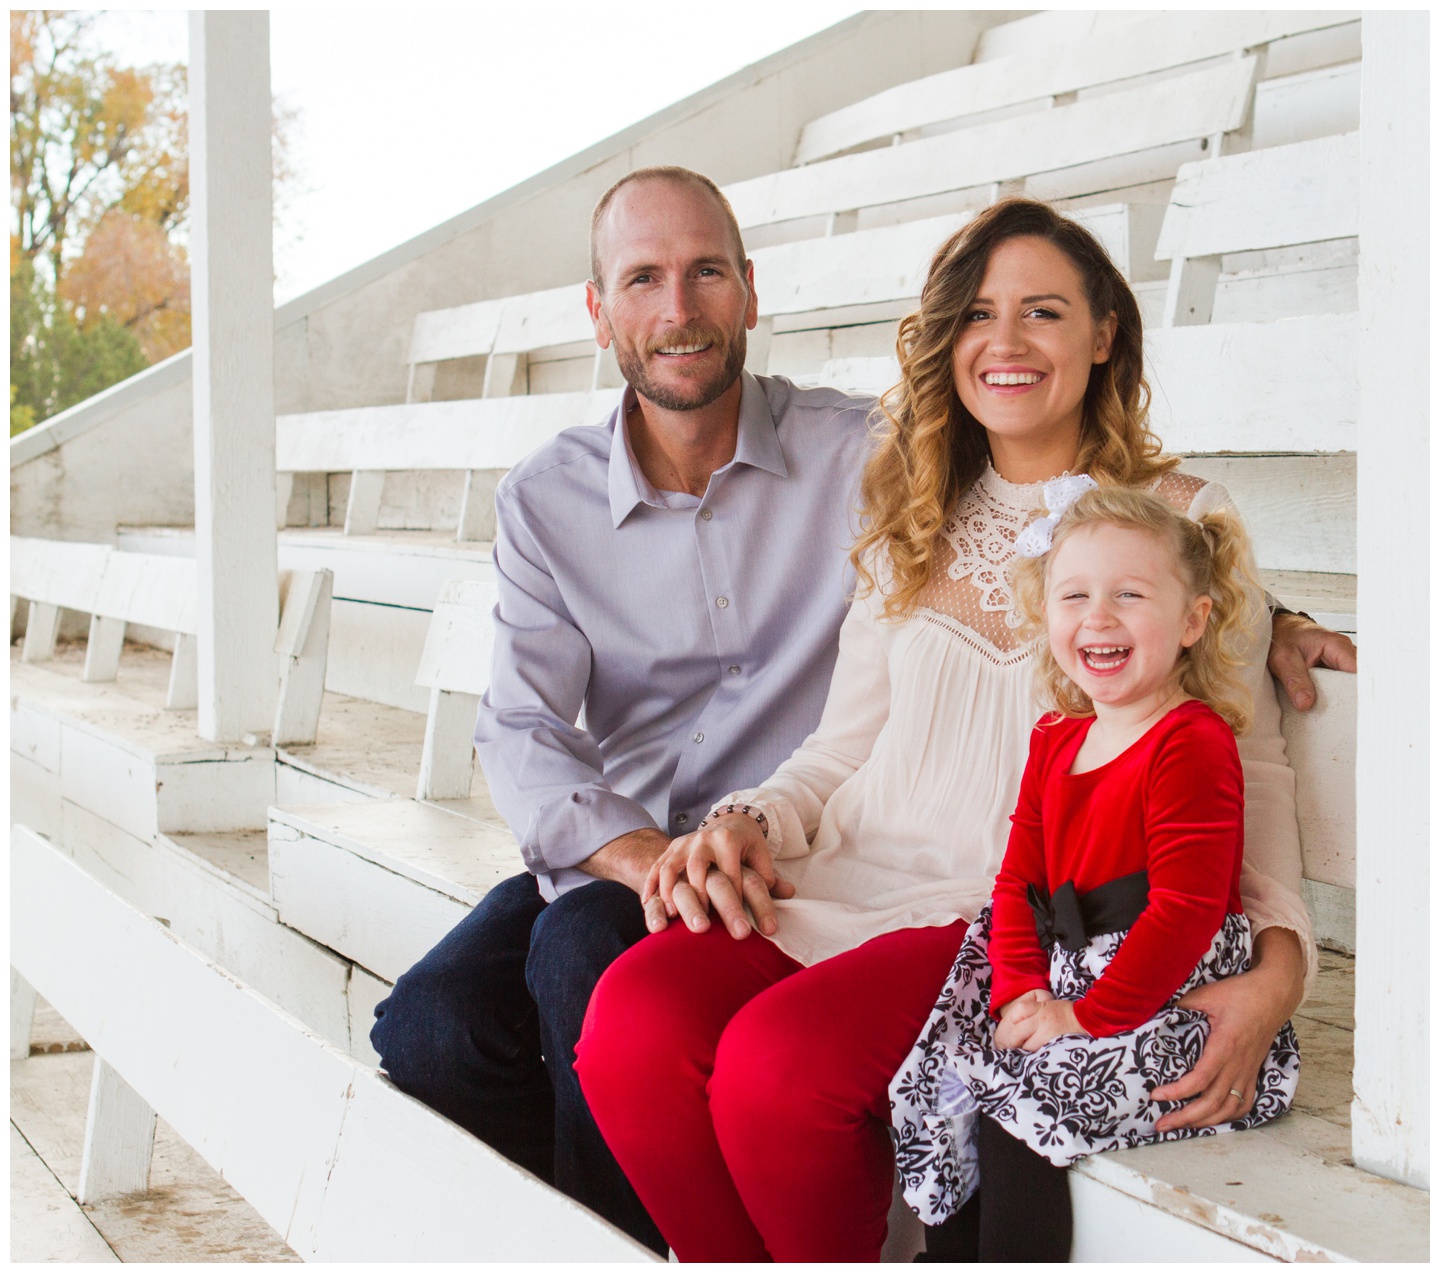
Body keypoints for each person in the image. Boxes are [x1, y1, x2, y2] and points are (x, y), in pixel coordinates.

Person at [369, 171, 1354, 1248]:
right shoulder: (906, 497)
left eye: (1043, 310)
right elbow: (840, 745)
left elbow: (1246, 784)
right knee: (628, 1024)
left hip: (1010, 917)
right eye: (976, 312)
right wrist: (746, 820)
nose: (1005, 339)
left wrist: (1275, 979)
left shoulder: (1185, 524)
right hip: (844, 869)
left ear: (1105, 333)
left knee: (773, 1069)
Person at [889, 482, 1300, 1261]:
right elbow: (1015, 887)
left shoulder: (1190, 741)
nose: (1098, 616)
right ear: (1047, 615)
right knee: (937, 1076)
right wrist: (1020, 993)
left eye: (1129, 594)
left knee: (1024, 1096)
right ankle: (952, 1254)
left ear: (1192, 620)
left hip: (1165, 999)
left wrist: (1080, 1017)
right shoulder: (1055, 738)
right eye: (1074, 594)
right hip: (1062, 981)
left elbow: (1182, 914)